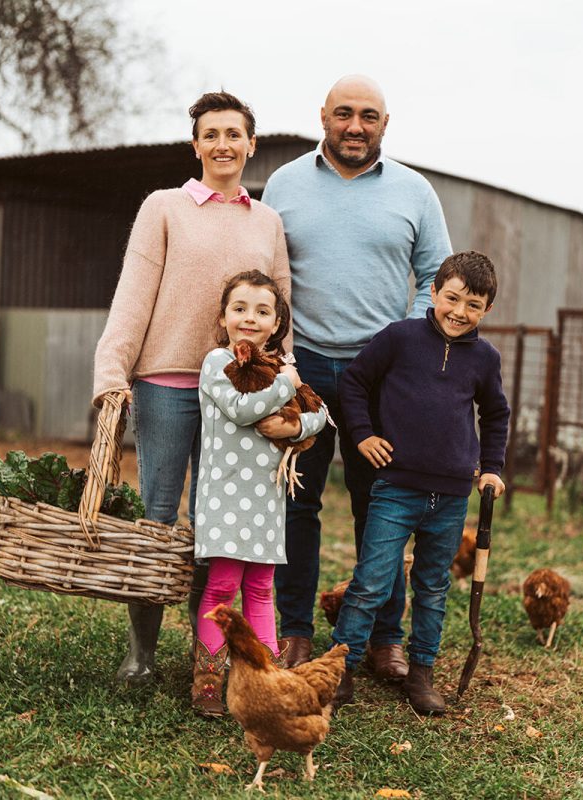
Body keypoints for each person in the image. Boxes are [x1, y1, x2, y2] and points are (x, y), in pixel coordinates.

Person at [91, 92, 289, 685]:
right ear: (195, 144)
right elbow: (133, 297)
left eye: (234, 134)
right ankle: (141, 653)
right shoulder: (164, 207)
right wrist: (111, 372)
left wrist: (286, 388)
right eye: (211, 134)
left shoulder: (268, 220)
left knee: (217, 525)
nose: (223, 144)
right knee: (157, 514)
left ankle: (209, 658)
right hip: (167, 383)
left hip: (239, 397)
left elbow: (281, 311)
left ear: (251, 144)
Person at [261, 75, 453, 678]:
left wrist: (408, 346)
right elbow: (265, 273)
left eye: (368, 116)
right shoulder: (285, 184)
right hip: (305, 367)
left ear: (385, 124)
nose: (355, 126)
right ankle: (294, 629)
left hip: (382, 374)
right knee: (297, 502)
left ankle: (383, 639)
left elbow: (434, 278)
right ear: (323, 115)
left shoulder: (414, 191)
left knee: (383, 507)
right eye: (343, 113)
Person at [330, 251, 510, 716]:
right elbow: (353, 383)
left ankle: (422, 674)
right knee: (372, 582)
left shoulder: (485, 358)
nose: (459, 312)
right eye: (452, 298)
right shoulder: (400, 338)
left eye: (473, 305)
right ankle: (338, 665)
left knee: (432, 588)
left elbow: (495, 415)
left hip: (450, 496)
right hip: (395, 488)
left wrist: (492, 466)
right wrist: (363, 435)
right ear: (432, 292)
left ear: (487, 309)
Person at [190, 270, 327, 715]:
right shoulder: (217, 363)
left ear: (276, 323)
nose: (250, 318)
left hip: (267, 499)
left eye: (262, 311)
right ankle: (208, 680)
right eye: (240, 308)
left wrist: (297, 424)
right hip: (226, 498)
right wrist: (284, 386)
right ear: (224, 315)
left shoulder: (277, 366)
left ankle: (263, 680)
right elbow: (240, 408)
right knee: (223, 586)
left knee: (263, 588)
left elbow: (320, 413)